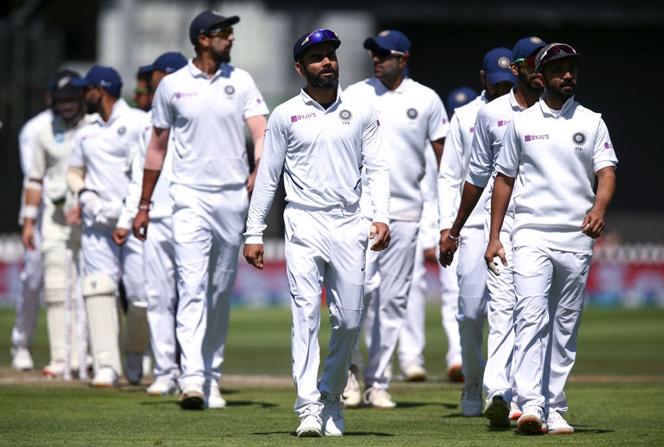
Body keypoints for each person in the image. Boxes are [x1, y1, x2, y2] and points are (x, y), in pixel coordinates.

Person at [243, 28, 390, 436]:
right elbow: (268, 178)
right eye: (317, 57)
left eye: (331, 56)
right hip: (304, 221)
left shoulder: (361, 110)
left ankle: (331, 395)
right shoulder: (285, 114)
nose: (327, 62)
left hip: (349, 221)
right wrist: (253, 232)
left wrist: (381, 216)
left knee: (348, 320)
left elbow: (376, 167)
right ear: (300, 68)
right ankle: (310, 406)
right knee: (305, 315)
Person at [132, 10, 268, 410]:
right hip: (188, 196)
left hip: (231, 197)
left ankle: (211, 377)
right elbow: (156, 149)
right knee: (191, 286)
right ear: (203, 39)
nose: (232, 38)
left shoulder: (240, 81)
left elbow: (260, 130)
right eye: (225, 32)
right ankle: (192, 379)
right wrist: (143, 204)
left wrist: (259, 168)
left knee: (218, 291)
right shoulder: (172, 86)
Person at [484, 42, 617, 434]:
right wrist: (494, 236)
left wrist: (599, 210)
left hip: (576, 237)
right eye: (559, 69)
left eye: (571, 68)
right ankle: (530, 405)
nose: (568, 75)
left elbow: (606, 172)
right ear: (541, 77)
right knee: (530, 316)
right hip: (530, 235)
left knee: (564, 325)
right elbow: (503, 180)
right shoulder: (521, 125)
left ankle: (555, 406)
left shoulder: (592, 121)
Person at [439, 37, 546, 426]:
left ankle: (506, 392)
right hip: (475, 224)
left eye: (507, 82)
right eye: (497, 82)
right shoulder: (468, 116)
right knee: (470, 311)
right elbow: (452, 176)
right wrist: (448, 229)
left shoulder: (548, 113)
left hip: (526, 224)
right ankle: (472, 382)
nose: (502, 88)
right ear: (485, 78)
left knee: (518, 310)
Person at [343, 29, 447, 409]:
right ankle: (351, 373)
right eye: (373, 52)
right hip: (361, 211)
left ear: (403, 58)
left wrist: (445, 217)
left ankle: (379, 382)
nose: (376, 58)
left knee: (393, 302)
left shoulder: (426, 99)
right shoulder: (354, 95)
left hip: (405, 212)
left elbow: (444, 163)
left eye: (384, 54)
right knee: (356, 295)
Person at [68, 65, 149, 387]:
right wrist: (85, 194)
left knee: (143, 295)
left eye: (85, 89)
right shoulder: (85, 130)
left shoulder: (137, 123)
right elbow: (75, 171)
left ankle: (133, 356)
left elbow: (145, 171)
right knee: (98, 289)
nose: (82, 95)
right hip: (96, 223)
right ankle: (106, 365)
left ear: (98, 90)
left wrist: (128, 214)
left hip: (132, 223)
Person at [116, 51, 188, 396]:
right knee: (158, 298)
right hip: (157, 216)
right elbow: (135, 177)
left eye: (157, 78)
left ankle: (192, 372)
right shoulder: (147, 125)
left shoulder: (195, 120)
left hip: (192, 215)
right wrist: (133, 212)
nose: (152, 85)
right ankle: (165, 371)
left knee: (192, 297)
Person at [395, 86, 477, 384]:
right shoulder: (436, 148)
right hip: (440, 224)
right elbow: (431, 192)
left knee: (475, 298)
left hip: (479, 226)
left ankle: (471, 361)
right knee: (427, 291)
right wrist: (435, 232)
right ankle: (427, 358)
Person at [21, 70, 91, 379]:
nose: (66, 105)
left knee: (88, 288)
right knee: (55, 288)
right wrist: (28, 221)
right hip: (54, 219)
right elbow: (35, 179)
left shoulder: (93, 128)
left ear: (80, 99)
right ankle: (60, 358)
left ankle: (84, 356)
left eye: (71, 99)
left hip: (90, 218)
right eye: (61, 99)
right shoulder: (44, 133)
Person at [10, 84, 53, 371]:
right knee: (32, 281)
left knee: (76, 286)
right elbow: (33, 176)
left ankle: (79, 353)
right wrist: (29, 218)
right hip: (41, 214)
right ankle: (21, 343)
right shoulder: (34, 129)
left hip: (76, 215)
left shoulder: (86, 125)